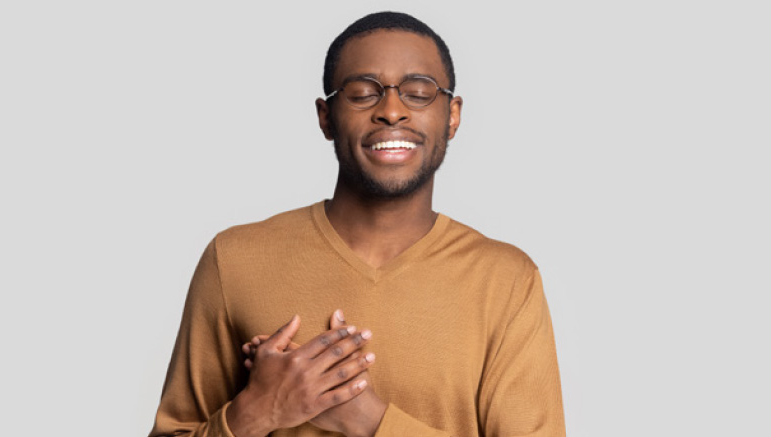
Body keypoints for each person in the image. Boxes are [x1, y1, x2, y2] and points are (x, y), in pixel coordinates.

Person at [149, 11, 565, 437]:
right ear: (326, 116)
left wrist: (367, 419)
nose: (391, 110)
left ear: (452, 116)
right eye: (362, 93)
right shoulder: (234, 260)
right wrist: (257, 411)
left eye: (419, 92)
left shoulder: (507, 281)